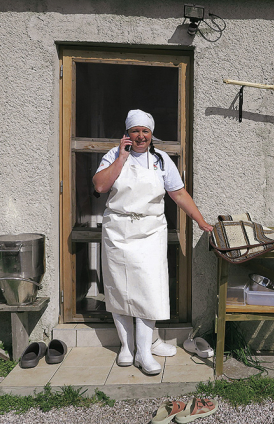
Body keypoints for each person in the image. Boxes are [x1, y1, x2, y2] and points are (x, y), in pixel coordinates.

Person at [93, 109, 213, 375]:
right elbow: (100, 186)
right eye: (135, 131)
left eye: (145, 131)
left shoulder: (160, 160)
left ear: (151, 135)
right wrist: (121, 158)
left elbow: (179, 194)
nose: (140, 136)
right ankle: (127, 346)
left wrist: (200, 221)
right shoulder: (113, 156)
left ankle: (144, 352)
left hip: (150, 231)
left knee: (148, 289)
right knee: (119, 288)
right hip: (118, 230)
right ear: (127, 133)